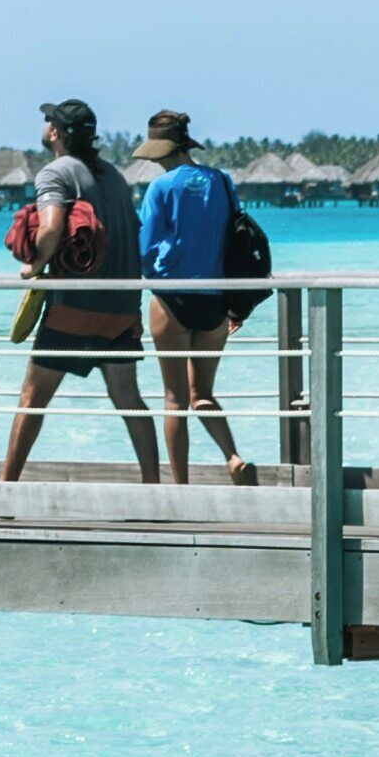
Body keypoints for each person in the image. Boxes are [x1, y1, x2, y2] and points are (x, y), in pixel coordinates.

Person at [2, 99, 159, 484]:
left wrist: (34, 265)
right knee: (129, 401)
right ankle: (155, 488)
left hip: (75, 308)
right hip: (122, 308)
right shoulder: (114, 176)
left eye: (47, 120)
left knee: (32, 400)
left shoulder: (54, 173)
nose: (43, 124)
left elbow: (52, 225)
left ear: (55, 132)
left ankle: (5, 488)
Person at [136, 109, 256, 484]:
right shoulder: (221, 181)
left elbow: (146, 248)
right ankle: (233, 457)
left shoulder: (161, 188)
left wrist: (153, 274)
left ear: (158, 150)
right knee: (202, 392)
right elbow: (235, 235)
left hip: (172, 298)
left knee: (174, 400)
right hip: (216, 301)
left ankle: (181, 487)